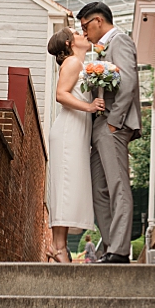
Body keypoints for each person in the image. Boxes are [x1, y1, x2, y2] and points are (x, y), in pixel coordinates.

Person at [78, 1, 142, 263]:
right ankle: (110, 247)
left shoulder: (120, 41)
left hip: (113, 125)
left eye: (85, 27)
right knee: (99, 189)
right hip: (99, 127)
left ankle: (119, 251)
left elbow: (128, 82)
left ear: (98, 21)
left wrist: (115, 121)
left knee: (117, 186)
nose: (84, 34)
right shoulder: (104, 49)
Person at [44, 26, 104, 261]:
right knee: (66, 188)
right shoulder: (72, 63)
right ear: (69, 43)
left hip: (76, 133)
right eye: (78, 34)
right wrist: (89, 107)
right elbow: (61, 94)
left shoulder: (80, 65)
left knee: (68, 188)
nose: (84, 35)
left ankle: (58, 247)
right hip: (68, 132)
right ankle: (58, 247)